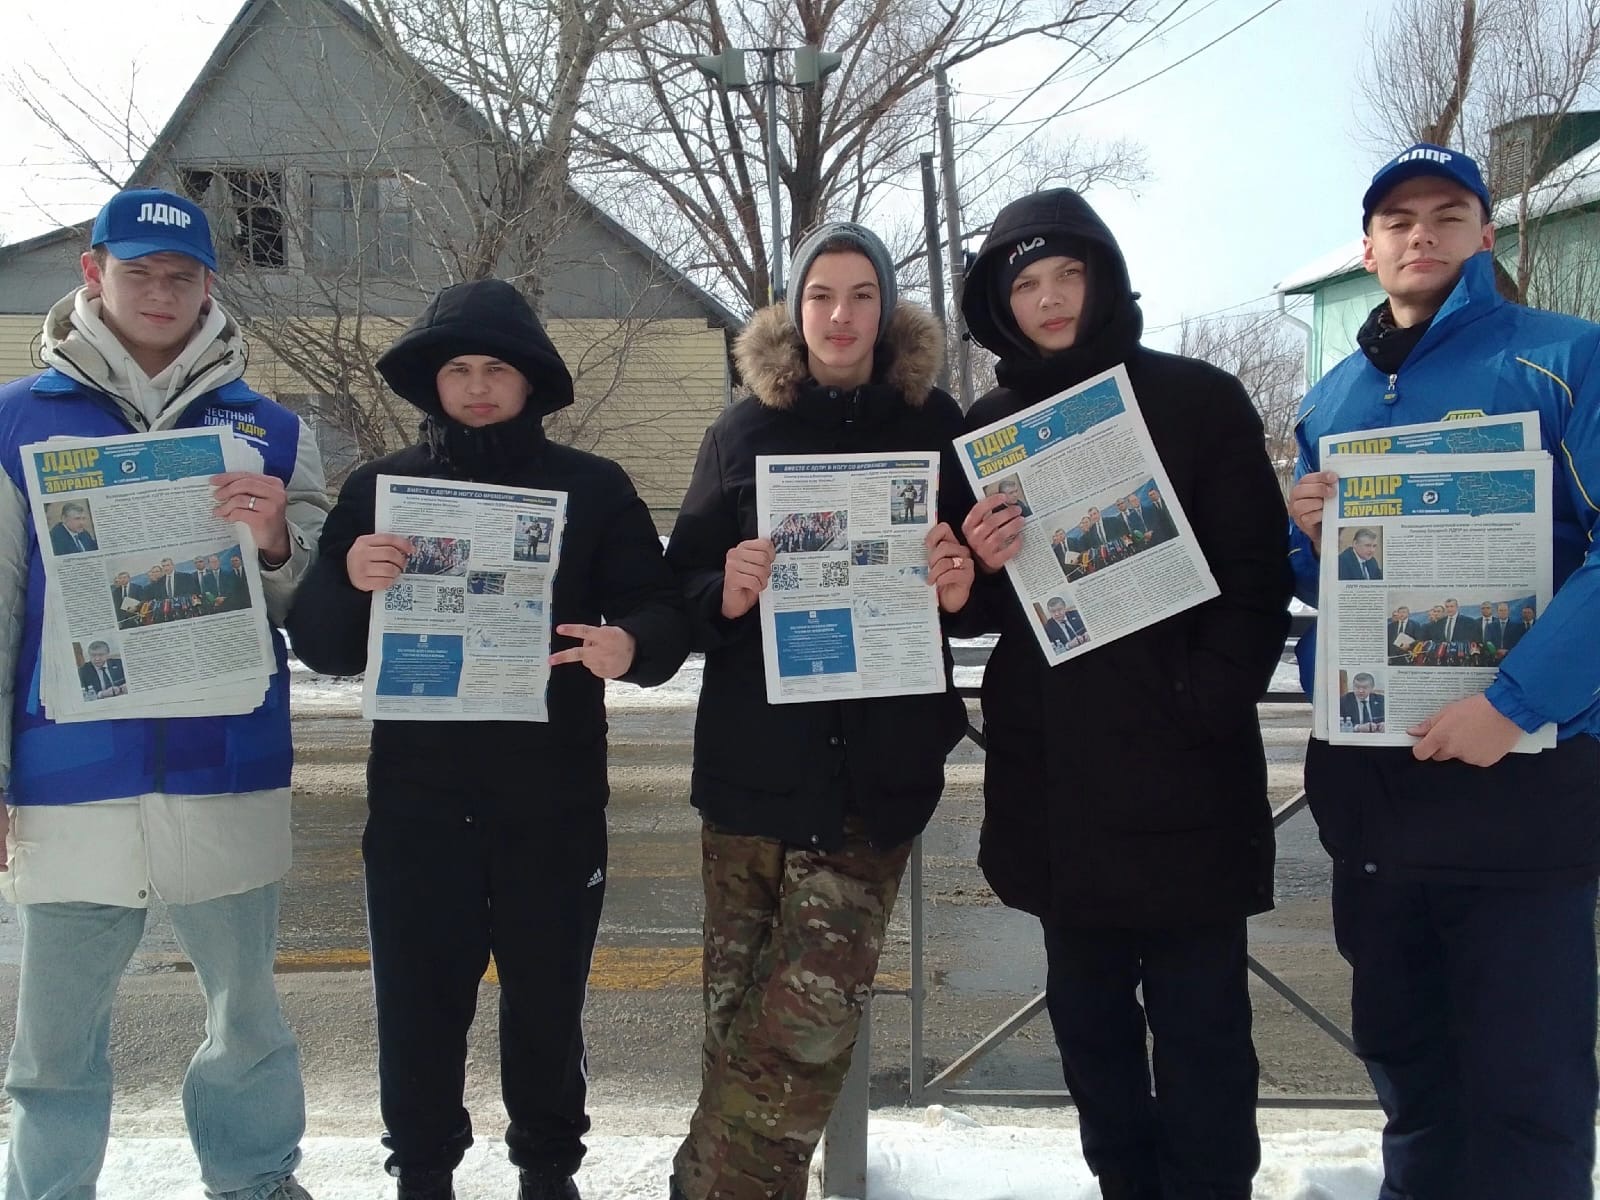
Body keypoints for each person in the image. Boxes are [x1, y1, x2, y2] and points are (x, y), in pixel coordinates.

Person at [286, 279, 689, 1200]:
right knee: (418, 1009)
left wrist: (632, 645)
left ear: (530, 380)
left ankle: (548, 1169)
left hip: (553, 804)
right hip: (418, 809)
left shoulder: (592, 487)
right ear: (432, 381)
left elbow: (661, 607)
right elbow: (323, 646)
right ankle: (422, 1171)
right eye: (458, 369)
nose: (476, 386)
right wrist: (348, 578)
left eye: (496, 369)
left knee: (548, 1006)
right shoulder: (380, 490)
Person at [956, 188, 1291, 1200]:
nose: (1051, 298)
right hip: (1057, 792)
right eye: (1027, 283)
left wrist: (1203, 701)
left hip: (1187, 785)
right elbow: (976, 613)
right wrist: (977, 564)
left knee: (1204, 1040)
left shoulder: (1198, 399)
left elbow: (1256, 578)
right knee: (1092, 1038)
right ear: (1001, 303)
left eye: (1069, 274)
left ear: (1103, 279)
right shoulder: (988, 430)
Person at [0, 186, 327, 1200]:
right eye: (138, 271)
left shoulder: (272, 428)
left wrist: (273, 538)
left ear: (208, 287)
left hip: (225, 769)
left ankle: (256, 1180)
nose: (160, 292)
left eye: (181, 275)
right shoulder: (15, 421)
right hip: (69, 775)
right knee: (55, 1042)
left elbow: (314, 609)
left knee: (247, 1022)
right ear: (92, 274)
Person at [1287, 143, 1600, 1200]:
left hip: (1521, 782)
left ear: (1483, 235)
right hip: (1377, 790)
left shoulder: (1566, 357)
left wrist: (1512, 705)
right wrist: (1306, 533)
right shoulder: (1329, 400)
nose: (1420, 234)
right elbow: (1326, 585)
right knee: (1411, 1074)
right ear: (1368, 249)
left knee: (1526, 1085)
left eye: (1446, 215)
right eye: (1399, 220)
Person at [664, 221, 973, 1200]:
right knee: (735, 1033)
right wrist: (723, 591)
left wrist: (962, 583)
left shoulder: (936, 428)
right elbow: (678, 593)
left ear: (886, 311)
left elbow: (989, 588)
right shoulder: (740, 432)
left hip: (871, 785)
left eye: (861, 295)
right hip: (751, 777)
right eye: (822, 296)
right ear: (795, 312)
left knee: (800, 1035)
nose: (841, 315)